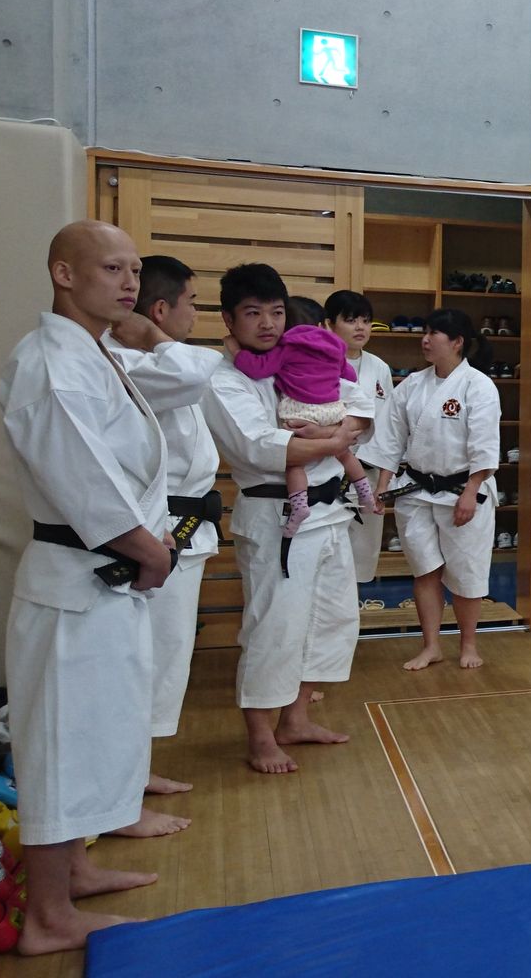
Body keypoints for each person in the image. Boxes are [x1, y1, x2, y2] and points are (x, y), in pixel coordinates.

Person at [0, 221, 176, 952]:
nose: (129, 282)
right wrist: (151, 552)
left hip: (105, 579)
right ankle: (47, 917)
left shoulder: (95, 353)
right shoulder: (48, 362)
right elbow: (82, 479)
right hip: (76, 579)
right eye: (111, 268)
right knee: (61, 743)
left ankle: (73, 869)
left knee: (97, 730)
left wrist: (151, 545)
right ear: (63, 273)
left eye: (134, 269)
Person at [200, 263, 370, 773]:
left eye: (276, 312)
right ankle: (259, 736)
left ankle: (295, 719)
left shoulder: (294, 354)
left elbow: (356, 409)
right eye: (253, 313)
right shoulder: (223, 379)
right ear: (229, 318)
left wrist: (334, 433)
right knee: (275, 628)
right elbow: (265, 447)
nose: (268, 323)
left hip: (330, 511)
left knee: (332, 619)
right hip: (277, 517)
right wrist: (336, 438)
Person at [103, 254, 223, 836]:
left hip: (183, 527)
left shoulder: (152, 361)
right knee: (142, 664)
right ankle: (119, 799)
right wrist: (151, 336)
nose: (195, 314)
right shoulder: (129, 361)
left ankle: (135, 774)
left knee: (165, 659)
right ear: (159, 310)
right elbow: (199, 373)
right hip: (158, 530)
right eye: (191, 303)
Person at [365, 309, 502, 670]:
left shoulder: (478, 385)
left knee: (466, 572)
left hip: (463, 489)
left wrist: (472, 490)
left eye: (434, 334)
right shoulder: (412, 384)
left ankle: (468, 644)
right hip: (415, 490)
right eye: (424, 332)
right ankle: (431, 646)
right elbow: (391, 439)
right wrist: (383, 486)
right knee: (425, 570)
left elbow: (485, 444)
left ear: (456, 342)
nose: (425, 340)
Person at [229, 301, 377, 537]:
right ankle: (365, 493)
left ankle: (299, 505)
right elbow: (349, 377)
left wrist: (237, 352)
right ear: (322, 325)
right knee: (345, 454)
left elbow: (257, 368)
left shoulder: (287, 347)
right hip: (332, 409)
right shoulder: (335, 346)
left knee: (294, 463)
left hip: (301, 412)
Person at [325, 291, 395, 584]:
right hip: (327, 471)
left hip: (368, 473)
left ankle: (353, 610)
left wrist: (383, 484)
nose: (360, 328)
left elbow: (388, 429)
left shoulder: (379, 367)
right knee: (327, 557)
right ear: (329, 324)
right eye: (351, 320)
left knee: (362, 558)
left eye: (365, 321)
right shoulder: (317, 362)